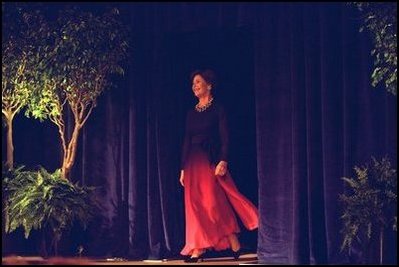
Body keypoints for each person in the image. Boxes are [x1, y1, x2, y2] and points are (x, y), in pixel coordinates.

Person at [179, 69, 259, 263]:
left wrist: (223, 160)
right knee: (194, 207)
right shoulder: (191, 113)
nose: (194, 86)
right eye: (193, 84)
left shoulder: (218, 110)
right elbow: (186, 141)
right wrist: (182, 168)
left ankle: (233, 239)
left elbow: (225, 138)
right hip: (192, 163)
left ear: (209, 85)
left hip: (210, 160)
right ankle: (197, 249)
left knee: (213, 204)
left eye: (198, 82)